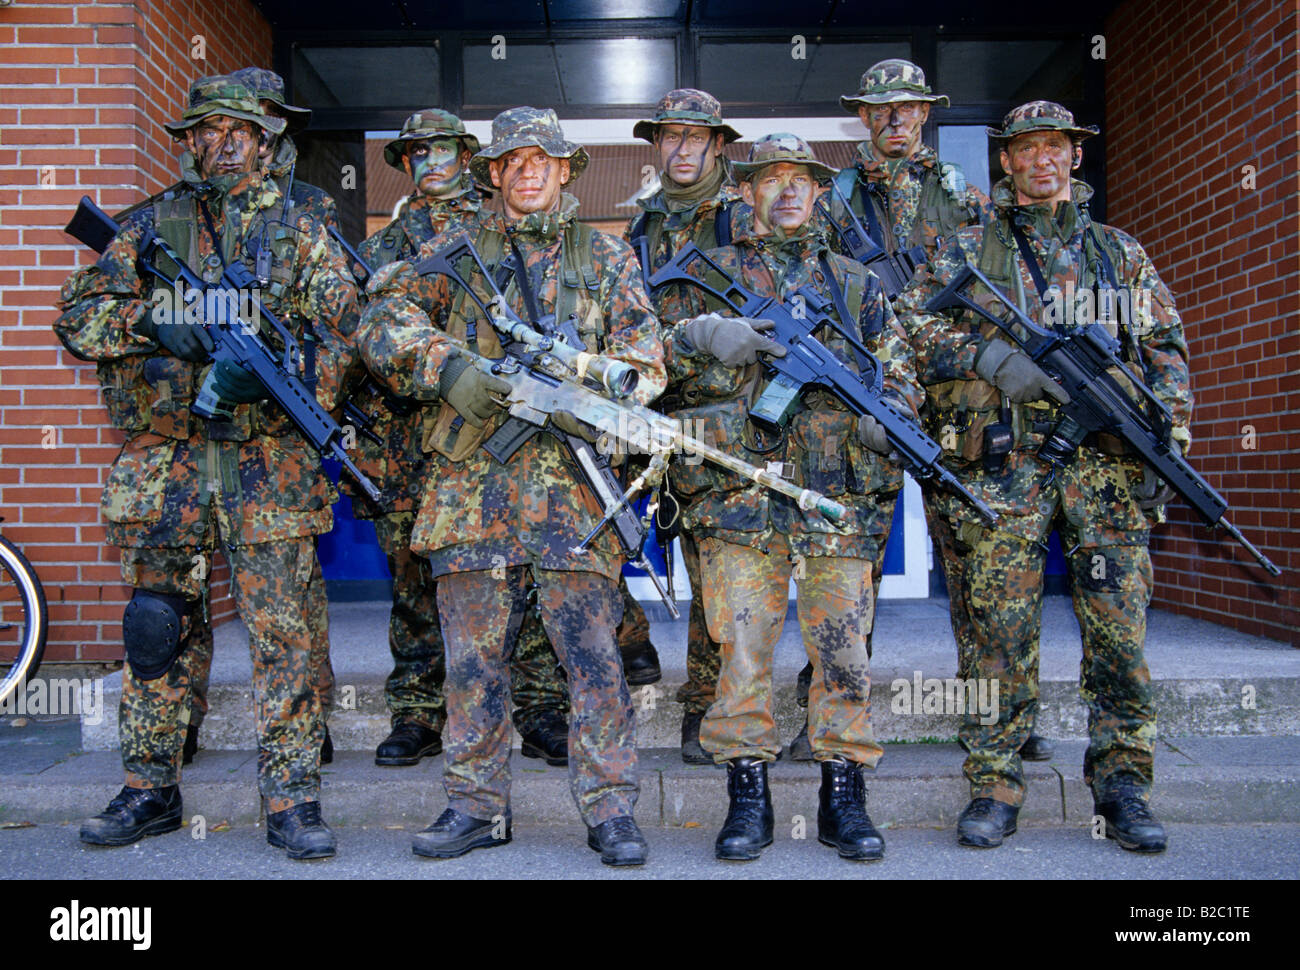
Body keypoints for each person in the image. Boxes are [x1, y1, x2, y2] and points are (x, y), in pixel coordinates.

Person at [56, 76, 361, 860]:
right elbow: (79, 317)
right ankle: (150, 788)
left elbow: (347, 334)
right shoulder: (151, 224)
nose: (224, 144)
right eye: (209, 131)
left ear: (266, 142)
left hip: (269, 466)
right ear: (189, 140)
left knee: (283, 636)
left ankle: (292, 801)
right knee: (156, 630)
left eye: (241, 132)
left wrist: (286, 376)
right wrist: (156, 320)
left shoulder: (302, 229)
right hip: (167, 467)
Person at [357, 107, 666, 866]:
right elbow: (379, 323)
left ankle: (611, 810)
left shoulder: (605, 259)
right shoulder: (449, 252)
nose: (528, 170)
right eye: (513, 160)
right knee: (471, 662)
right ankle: (474, 806)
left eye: (543, 159)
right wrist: (450, 370)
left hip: (575, 494)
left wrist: (590, 388)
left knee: (593, 657)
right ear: (493, 172)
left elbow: (648, 364)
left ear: (566, 171)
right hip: (473, 489)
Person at [894, 101, 1192, 853]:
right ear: (1006, 162)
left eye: (1055, 147)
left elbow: (1165, 354)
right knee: (998, 636)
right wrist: (991, 360)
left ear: (1075, 157)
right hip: (1006, 474)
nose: (1042, 161)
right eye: (1026, 150)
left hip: (1107, 478)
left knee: (1119, 637)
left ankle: (1123, 785)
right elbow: (910, 330)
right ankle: (994, 783)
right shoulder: (966, 247)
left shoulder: (1118, 255)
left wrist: (1169, 444)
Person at [663, 134, 923, 861]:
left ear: (818, 193)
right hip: (741, 504)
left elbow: (901, 377)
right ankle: (748, 797)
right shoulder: (707, 275)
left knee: (843, 659)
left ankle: (844, 797)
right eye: (769, 179)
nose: (785, 192)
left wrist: (883, 423)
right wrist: (706, 338)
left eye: (800, 181)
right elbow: (648, 355)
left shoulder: (858, 285)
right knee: (741, 656)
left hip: (838, 506)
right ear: (746, 192)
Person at [791, 58, 1042, 763]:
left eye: (906, 107)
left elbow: (995, 298)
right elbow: (810, 284)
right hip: (864, 394)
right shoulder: (832, 197)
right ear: (862, 117)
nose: (893, 119)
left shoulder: (963, 196)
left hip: (952, 396)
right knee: (849, 559)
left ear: (925, 113)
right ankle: (830, 709)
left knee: (974, 560)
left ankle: (995, 714)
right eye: (879, 109)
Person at [353, 109, 575, 768]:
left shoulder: (500, 223)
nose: (430, 162)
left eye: (442, 149)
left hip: (498, 439)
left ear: (469, 156)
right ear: (401, 163)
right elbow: (364, 339)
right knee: (417, 582)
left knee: (528, 572)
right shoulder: (385, 248)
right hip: (408, 439)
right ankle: (418, 712)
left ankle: (539, 707)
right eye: (414, 152)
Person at [625, 87, 745, 764]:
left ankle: (706, 707)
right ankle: (630, 642)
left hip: (726, 421)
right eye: (669, 137)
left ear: (717, 144)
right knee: (598, 539)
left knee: (716, 573)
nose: (681, 149)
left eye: (694, 137)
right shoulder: (640, 228)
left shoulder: (744, 215)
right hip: (655, 415)